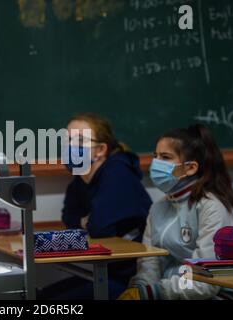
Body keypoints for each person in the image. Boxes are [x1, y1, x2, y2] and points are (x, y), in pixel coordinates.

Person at [118, 124, 233, 300]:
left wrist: (153, 293)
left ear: (190, 168)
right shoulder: (158, 208)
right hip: (172, 294)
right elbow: (149, 265)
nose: (156, 163)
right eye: (156, 156)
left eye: (166, 157)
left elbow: (206, 281)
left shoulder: (212, 206)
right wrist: (139, 288)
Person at [40, 113, 152, 300]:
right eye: (67, 140)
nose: (71, 146)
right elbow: (68, 217)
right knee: (43, 296)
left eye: (80, 140)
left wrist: (86, 223)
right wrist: (86, 223)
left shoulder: (117, 173)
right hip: (107, 271)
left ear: (100, 149)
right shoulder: (80, 178)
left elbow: (99, 228)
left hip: (133, 277)